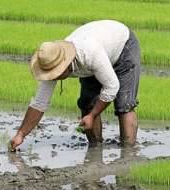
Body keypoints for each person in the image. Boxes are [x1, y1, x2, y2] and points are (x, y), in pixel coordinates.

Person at [10, 20, 140, 150]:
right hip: (97, 53)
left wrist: (93, 115)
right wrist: (21, 134)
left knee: (124, 104)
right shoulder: (51, 61)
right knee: (87, 104)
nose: (54, 77)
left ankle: (128, 153)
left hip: (123, 46)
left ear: (66, 64)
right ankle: (95, 150)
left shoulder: (89, 54)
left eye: (57, 72)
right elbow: (39, 103)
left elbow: (112, 87)